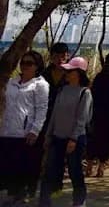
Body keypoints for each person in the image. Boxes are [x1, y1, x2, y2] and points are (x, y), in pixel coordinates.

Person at [37, 56, 92, 207]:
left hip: (74, 140)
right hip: (57, 137)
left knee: (75, 172)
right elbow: (54, 114)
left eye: (70, 71)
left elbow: (82, 118)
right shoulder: (62, 90)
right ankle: (44, 202)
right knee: (50, 170)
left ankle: (79, 201)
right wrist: (48, 135)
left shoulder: (84, 93)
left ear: (79, 73)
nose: (66, 73)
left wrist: (73, 139)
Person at [0, 50, 49, 204]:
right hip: (7, 129)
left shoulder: (40, 84)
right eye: (23, 63)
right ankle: (10, 192)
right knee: (7, 164)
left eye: (29, 63)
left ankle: (22, 192)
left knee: (22, 165)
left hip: (25, 132)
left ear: (37, 66)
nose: (25, 66)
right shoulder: (12, 82)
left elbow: (42, 109)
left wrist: (34, 131)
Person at [42, 42, 70, 120]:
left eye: (63, 56)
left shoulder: (73, 74)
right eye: (56, 56)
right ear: (51, 57)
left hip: (64, 114)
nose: (60, 60)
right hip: (45, 113)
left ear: (68, 56)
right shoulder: (44, 74)